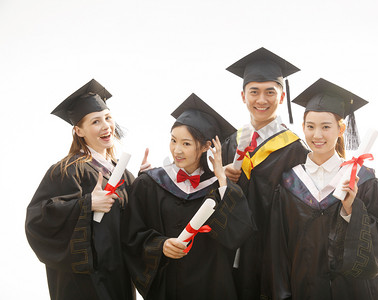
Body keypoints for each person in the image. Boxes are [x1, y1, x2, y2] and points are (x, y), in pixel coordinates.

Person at [261, 78, 378, 300]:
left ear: (341, 129)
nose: (317, 135)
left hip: (352, 292)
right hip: (303, 291)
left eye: (326, 127)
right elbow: (279, 251)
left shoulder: (363, 180)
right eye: (311, 126)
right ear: (302, 127)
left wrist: (352, 209)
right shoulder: (288, 184)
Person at [122, 93, 256, 300]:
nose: (177, 150)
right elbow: (131, 235)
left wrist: (221, 179)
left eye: (186, 143)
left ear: (205, 147)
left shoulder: (219, 188)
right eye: (174, 140)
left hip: (210, 288)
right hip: (167, 289)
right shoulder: (149, 183)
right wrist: (160, 245)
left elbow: (238, 234)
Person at [25, 79, 135, 300]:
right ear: (79, 131)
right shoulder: (67, 171)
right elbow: (38, 221)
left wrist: (145, 184)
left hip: (119, 281)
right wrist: (87, 204)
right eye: (95, 121)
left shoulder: (124, 174)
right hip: (84, 285)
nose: (106, 126)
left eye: (108, 118)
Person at [221, 47, 309, 300]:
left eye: (270, 92)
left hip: (272, 259)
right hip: (228, 257)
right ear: (242, 96)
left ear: (282, 97)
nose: (262, 100)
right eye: (254, 92)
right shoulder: (230, 143)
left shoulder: (295, 149)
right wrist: (221, 178)